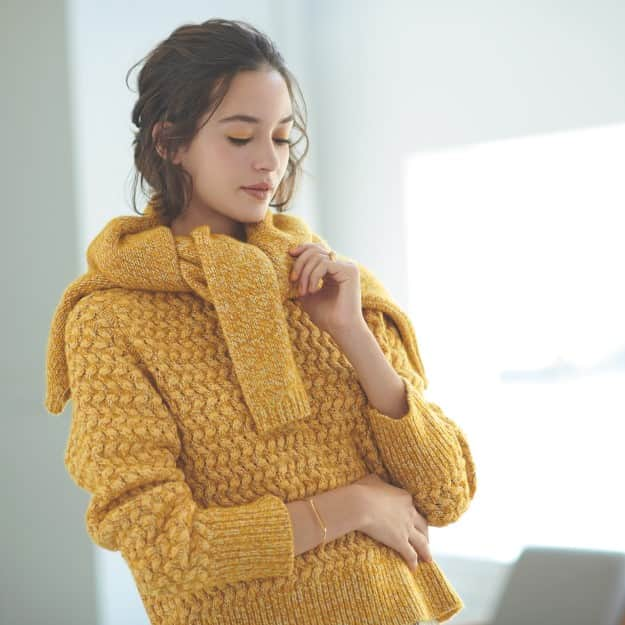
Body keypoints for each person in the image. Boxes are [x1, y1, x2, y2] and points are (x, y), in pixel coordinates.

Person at [44, 17, 477, 625]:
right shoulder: (112, 320)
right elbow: (166, 546)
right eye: (241, 137)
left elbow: (445, 492)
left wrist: (352, 335)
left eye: (280, 137)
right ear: (170, 142)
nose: (268, 163)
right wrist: (350, 507)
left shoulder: (328, 281)